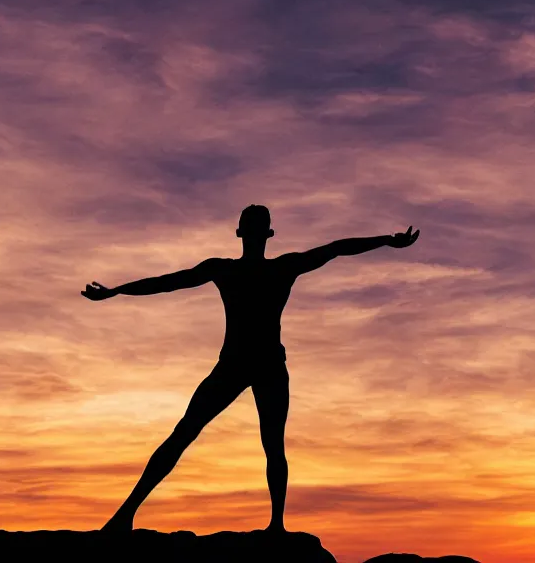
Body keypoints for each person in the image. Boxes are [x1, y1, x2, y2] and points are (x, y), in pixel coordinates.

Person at [82, 204, 420, 532]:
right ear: (258, 233)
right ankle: (127, 514)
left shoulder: (253, 269)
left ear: (244, 232)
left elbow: (336, 249)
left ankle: (274, 525)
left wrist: (117, 292)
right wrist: (117, 291)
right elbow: (170, 281)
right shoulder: (251, 269)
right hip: (240, 364)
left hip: (261, 364)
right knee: (201, 435)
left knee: (252, 442)